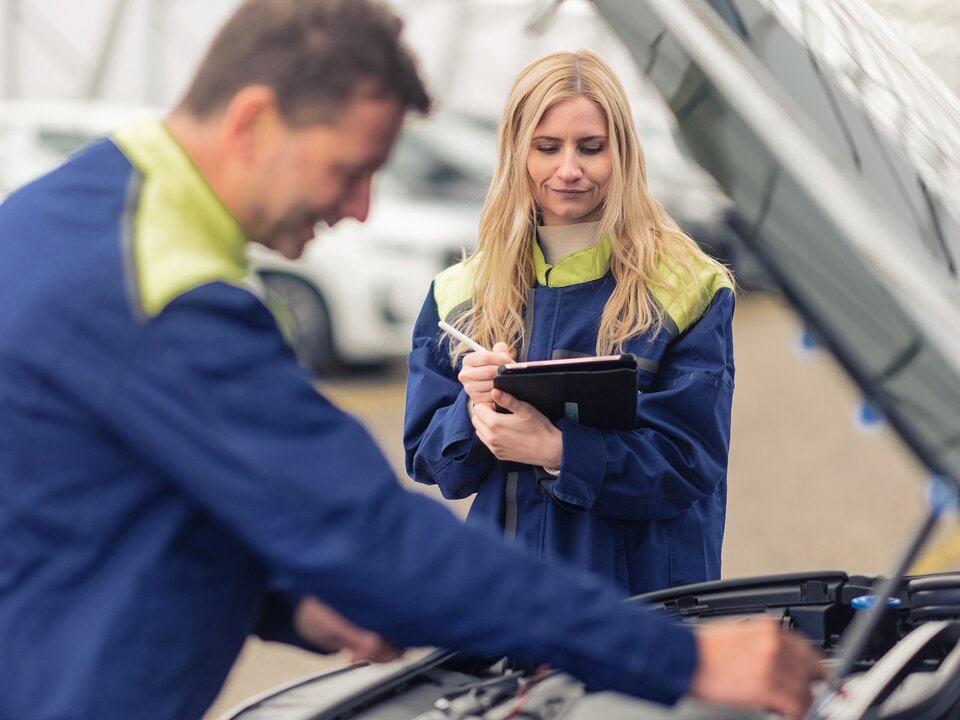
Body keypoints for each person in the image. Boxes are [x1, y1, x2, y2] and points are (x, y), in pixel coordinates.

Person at [0, 2, 820, 719]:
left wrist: (293, 604)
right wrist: (685, 659)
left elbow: (129, 502)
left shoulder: (58, 219)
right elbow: (370, 529)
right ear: (253, 121)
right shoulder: (163, 293)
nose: (358, 209)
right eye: (350, 170)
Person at [404, 50, 735, 598]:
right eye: (547, 147)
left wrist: (558, 450)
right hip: (510, 609)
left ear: (623, 152)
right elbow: (434, 464)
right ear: (517, 154)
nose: (569, 169)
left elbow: (689, 466)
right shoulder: (459, 293)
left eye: (591, 147)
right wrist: (475, 409)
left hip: (647, 609)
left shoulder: (689, 287)